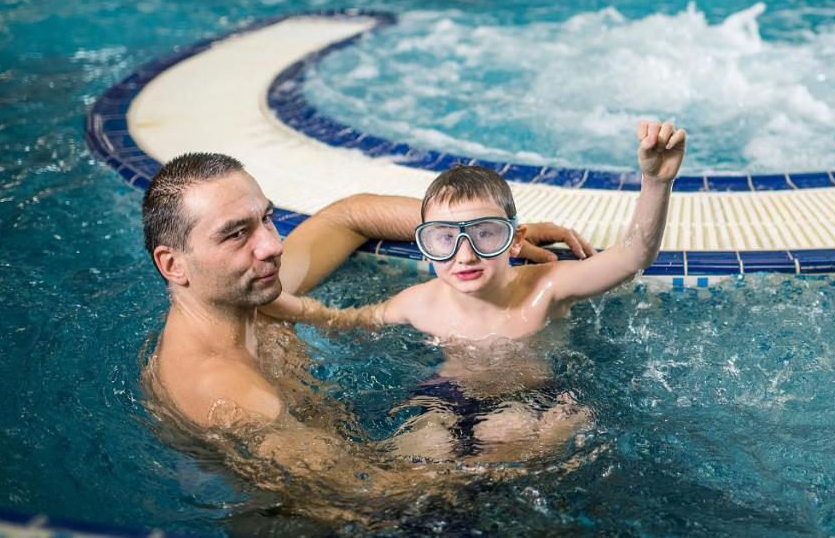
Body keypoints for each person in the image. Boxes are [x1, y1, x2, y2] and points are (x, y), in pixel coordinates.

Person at [139, 153, 591, 516]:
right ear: (173, 265)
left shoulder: (250, 292)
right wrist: (532, 452)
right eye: (236, 234)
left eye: (267, 219)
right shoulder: (229, 392)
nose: (273, 246)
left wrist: (476, 232)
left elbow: (350, 215)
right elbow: (365, 497)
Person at [263, 120, 686, 456]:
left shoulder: (546, 288)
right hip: (441, 395)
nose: (464, 256)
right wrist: (289, 306)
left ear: (515, 240)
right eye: (444, 239)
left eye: (485, 235)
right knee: (421, 449)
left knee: (507, 434)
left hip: (528, 393)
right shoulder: (419, 303)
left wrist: (655, 182)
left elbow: (631, 258)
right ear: (425, 248)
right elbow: (348, 321)